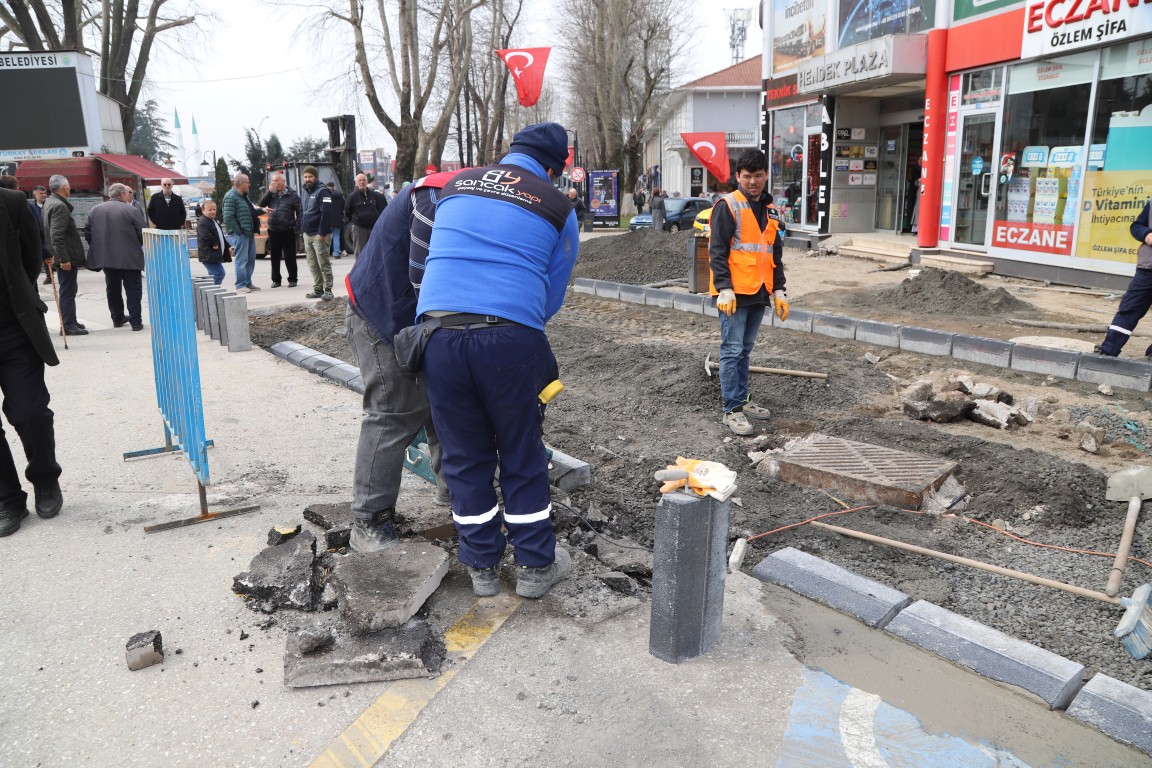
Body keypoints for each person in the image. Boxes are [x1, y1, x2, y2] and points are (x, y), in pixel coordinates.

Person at [416, 122, 580, 599]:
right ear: (554, 168)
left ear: (511, 152)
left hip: (438, 336)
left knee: (464, 456)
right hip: (509, 338)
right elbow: (550, 296)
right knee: (520, 451)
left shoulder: (454, 185)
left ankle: (482, 568)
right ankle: (535, 567)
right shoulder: (556, 205)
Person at [343, 169, 459, 553]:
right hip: (382, 314)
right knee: (393, 410)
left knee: (446, 402)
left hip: (422, 318)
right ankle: (369, 523)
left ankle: (457, 495)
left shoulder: (466, 199)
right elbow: (426, 282)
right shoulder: (434, 196)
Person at [708, 148, 787, 436]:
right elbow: (716, 250)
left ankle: (742, 399)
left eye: (758, 175)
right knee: (731, 350)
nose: (752, 181)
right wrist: (724, 288)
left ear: (766, 175)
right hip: (733, 293)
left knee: (744, 351)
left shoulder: (770, 209)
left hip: (759, 290)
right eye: (746, 176)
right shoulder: (728, 205)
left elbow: (774, 253)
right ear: (738, 176)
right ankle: (732, 410)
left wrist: (779, 289)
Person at [0, 183, 63, 536]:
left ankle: (45, 479)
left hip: (13, 328)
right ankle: (7, 499)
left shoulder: (11, 203)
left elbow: (30, 258)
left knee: (30, 412)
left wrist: (20, 299)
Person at [85, 183, 147, 331]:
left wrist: (100, 248)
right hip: (129, 257)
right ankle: (136, 322)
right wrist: (137, 245)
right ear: (122, 194)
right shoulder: (131, 210)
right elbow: (143, 232)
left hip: (107, 258)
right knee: (133, 289)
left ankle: (117, 318)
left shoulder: (95, 210)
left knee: (112, 288)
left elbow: (88, 233)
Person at [1095, 200, 1152, 358]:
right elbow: (1136, 226)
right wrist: (1146, 234)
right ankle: (1108, 350)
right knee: (1129, 309)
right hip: (1147, 269)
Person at [41, 174, 88, 336]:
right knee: (67, 290)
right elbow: (56, 235)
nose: (69, 189)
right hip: (65, 256)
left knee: (69, 289)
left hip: (61, 254)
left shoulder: (50, 202)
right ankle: (67, 324)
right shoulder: (59, 206)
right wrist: (64, 258)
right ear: (65, 188)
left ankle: (71, 320)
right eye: (68, 186)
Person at [258, 173, 302, 287]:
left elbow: (300, 211)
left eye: (276, 180)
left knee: (290, 256)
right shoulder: (271, 194)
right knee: (274, 256)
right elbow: (261, 205)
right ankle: (276, 280)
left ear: (283, 182)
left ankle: (292, 279)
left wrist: (297, 227)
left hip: (288, 229)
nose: (274, 183)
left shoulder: (292, 194)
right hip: (273, 229)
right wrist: (269, 192)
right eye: (273, 181)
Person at [300, 166, 334, 301]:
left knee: (323, 263)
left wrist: (322, 232)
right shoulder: (304, 191)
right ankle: (318, 289)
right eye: (305, 177)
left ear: (315, 177)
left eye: (310, 176)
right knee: (313, 264)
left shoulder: (323, 191)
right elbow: (302, 211)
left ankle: (328, 290)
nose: (307, 179)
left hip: (320, 234)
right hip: (307, 233)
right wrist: (302, 229)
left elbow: (327, 213)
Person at [223, 173, 259, 293]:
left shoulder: (243, 196)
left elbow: (249, 211)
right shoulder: (231, 197)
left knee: (250, 260)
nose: (249, 185)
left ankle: (248, 283)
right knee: (242, 260)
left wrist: (262, 210)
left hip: (248, 232)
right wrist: (239, 231)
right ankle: (240, 285)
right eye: (247, 182)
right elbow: (228, 217)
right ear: (240, 184)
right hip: (241, 234)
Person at [344, 173, 388, 257]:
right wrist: (356, 220)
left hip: (373, 227)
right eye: (359, 180)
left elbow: (379, 208)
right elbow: (347, 212)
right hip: (359, 228)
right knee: (360, 253)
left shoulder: (374, 195)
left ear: (367, 181)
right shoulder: (352, 197)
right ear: (356, 182)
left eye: (364, 180)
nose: (362, 182)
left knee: (373, 251)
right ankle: (360, 266)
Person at [195, 199, 232, 285]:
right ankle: (207, 288)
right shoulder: (203, 222)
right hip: (209, 255)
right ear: (203, 210)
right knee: (219, 273)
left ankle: (211, 290)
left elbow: (220, 236)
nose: (212, 212)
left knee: (214, 274)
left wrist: (228, 246)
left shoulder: (213, 221)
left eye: (214, 209)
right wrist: (214, 243)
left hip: (214, 255)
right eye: (209, 210)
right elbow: (205, 235)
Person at [326, 181, 346, 259]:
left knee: (327, 237)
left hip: (328, 219)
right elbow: (344, 206)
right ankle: (336, 253)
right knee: (336, 236)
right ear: (334, 187)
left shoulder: (326, 195)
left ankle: (326, 254)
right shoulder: (340, 196)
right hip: (338, 219)